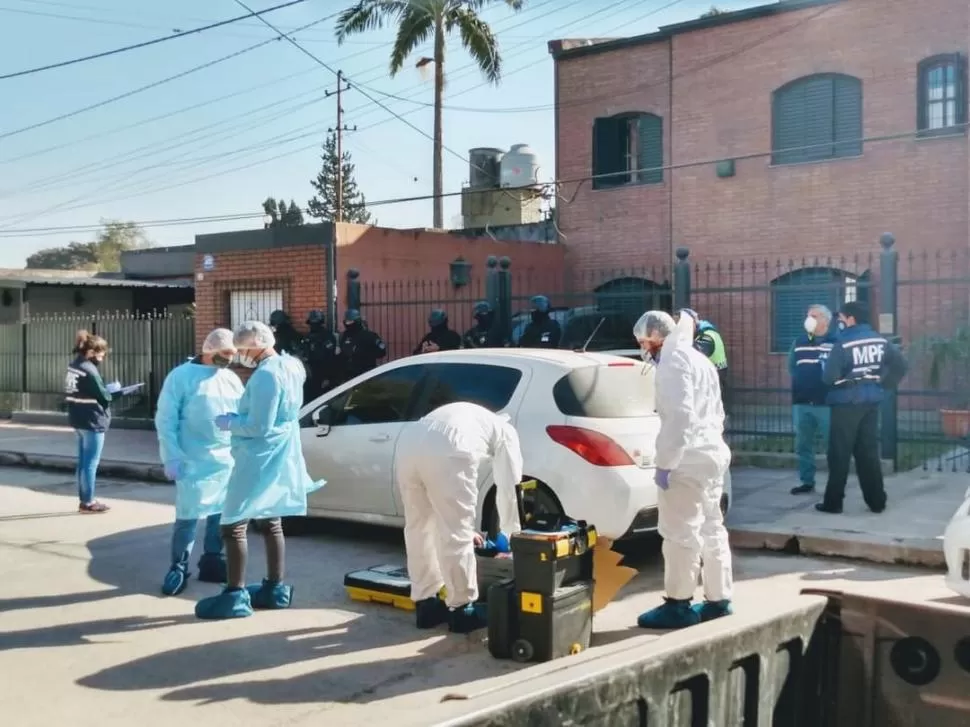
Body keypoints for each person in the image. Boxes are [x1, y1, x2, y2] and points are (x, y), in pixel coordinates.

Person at [194, 321, 325, 620]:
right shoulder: (292, 366)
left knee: (232, 523)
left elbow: (258, 426)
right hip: (280, 450)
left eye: (242, 349)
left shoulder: (266, 375)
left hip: (259, 454)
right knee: (270, 519)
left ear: (256, 345)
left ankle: (234, 595)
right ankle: (275, 588)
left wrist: (229, 422)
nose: (240, 354)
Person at [633, 311, 733, 630]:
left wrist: (666, 464)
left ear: (653, 338)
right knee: (712, 526)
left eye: (643, 341)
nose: (643, 348)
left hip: (686, 458)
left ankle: (678, 604)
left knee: (678, 532)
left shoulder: (673, 362)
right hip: (712, 452)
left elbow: (679, 418)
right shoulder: (698, 358)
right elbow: (716, 411)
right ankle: (719, 599)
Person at [394, 402, 523, 633]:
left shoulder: (474, 416)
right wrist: (511, 533)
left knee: (418, 527)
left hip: (409, 441)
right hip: (450, 443)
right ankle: (462, 608)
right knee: (457, 532)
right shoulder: (507, 433)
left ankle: (427, 605)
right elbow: (509, 487)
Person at [155, 328, 244, 597]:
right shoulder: (181, 377)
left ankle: (212, 560)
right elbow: (166, 419)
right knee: (188, 515)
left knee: (220, 512)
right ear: (210, 350)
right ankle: (178, 567)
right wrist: (171, 455)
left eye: (232, 353)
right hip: (192, 457)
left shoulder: (230, 379)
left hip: (226, 457)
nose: (229, 358)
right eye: (225, 353)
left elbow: (243, 413)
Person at [817, 301, 907, 515]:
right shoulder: (880, 341)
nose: (839, 322)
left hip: (846, 403)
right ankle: (877, 501)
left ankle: (833, 503)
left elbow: (828, 377)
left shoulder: (843, 343)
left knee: (839, 454)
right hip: (871, 402)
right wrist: (883, 385)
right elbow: (901, 366)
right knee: (868, 453)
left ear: (851, 319)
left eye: (841, 318)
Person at [65, 330, 118, 514]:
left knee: (83, 462)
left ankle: (84, 500)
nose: (103, 356)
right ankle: (88, 502)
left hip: (78, 418)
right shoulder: (89, 369)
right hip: (92, 420)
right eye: (101, 352)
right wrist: (117, 392)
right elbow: (105, 397)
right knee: (90, 463)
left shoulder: (74, 365)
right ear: (92, 352)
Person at [787, 305, 838, 496]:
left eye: (814, 316)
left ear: (825, 320)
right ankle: (807, 481)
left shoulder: (836, 341)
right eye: (808, 316)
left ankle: (835, 484)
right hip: (802, 402)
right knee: (803, 445)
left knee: (832, 445)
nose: (809, 319)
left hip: (826, 403)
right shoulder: (799, 342)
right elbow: (792, 367)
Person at [680, 308, 729, 405]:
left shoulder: (707, 336)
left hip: (712, 385)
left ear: (692, 323)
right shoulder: (700, 334)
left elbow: (693, 354)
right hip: (709, 383)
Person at [338, 309, 386, 381]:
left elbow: (382, 351)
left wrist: (365, 354)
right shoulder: (344, 336)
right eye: (346, 322)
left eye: (350, 321)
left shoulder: (369, 336)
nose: (348, 324)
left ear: (357, 321)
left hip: (365, 375)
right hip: (348, 377)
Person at [302, 309, 339, 402]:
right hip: (309, 375)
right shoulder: (308, 337)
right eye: (311, 323)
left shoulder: (327, 336)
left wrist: (328, 377)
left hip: (323, 375)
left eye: (315, 323)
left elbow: (330, 358)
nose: (313, 325)